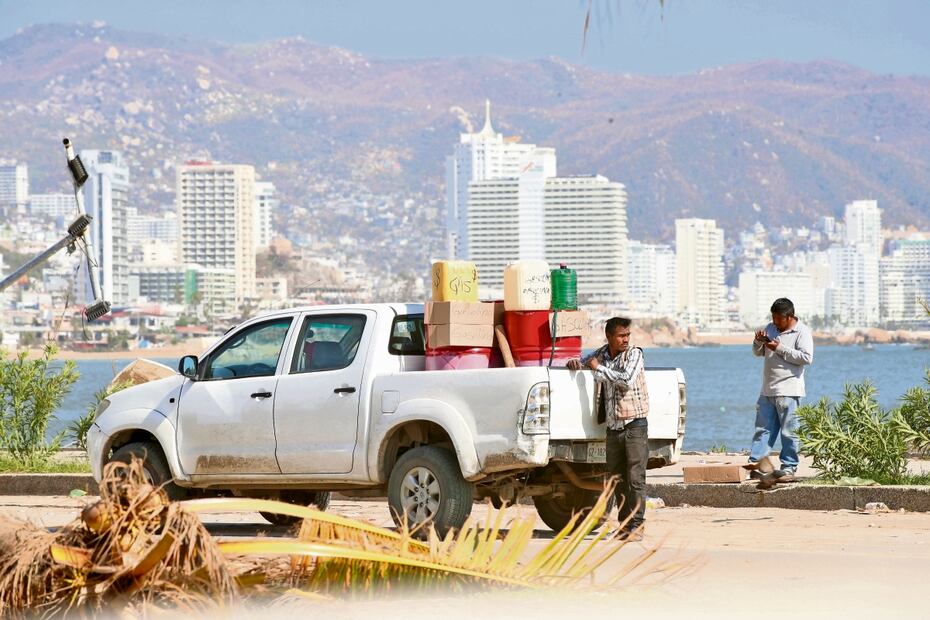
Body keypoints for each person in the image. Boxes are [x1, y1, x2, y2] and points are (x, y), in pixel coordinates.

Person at [567, 317, 649, 540]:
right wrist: (575, 363)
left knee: (635, 479)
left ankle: (638, 526)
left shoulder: (634, 354)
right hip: (613, 428)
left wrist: (598, 369)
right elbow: (585, 361)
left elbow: (626, 379)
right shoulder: (602, 353)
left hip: (635, 424)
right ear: (609, 337)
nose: (625, 339)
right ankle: (624, 526)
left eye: (627, 335)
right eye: (621, 335)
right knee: (617, 480)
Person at [749, 297, 814, 483]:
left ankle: (789, 467)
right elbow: (758, 353)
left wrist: (779, 348)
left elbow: (807, 358)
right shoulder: (770, 328)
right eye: (773, 318)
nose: (775, 322)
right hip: (767, 389)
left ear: (790, 317)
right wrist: (758, 342)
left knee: (789, 432)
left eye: (779, 319)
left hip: (790, 390)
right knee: (762, 430)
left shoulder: (802, 332)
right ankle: (756, 464)